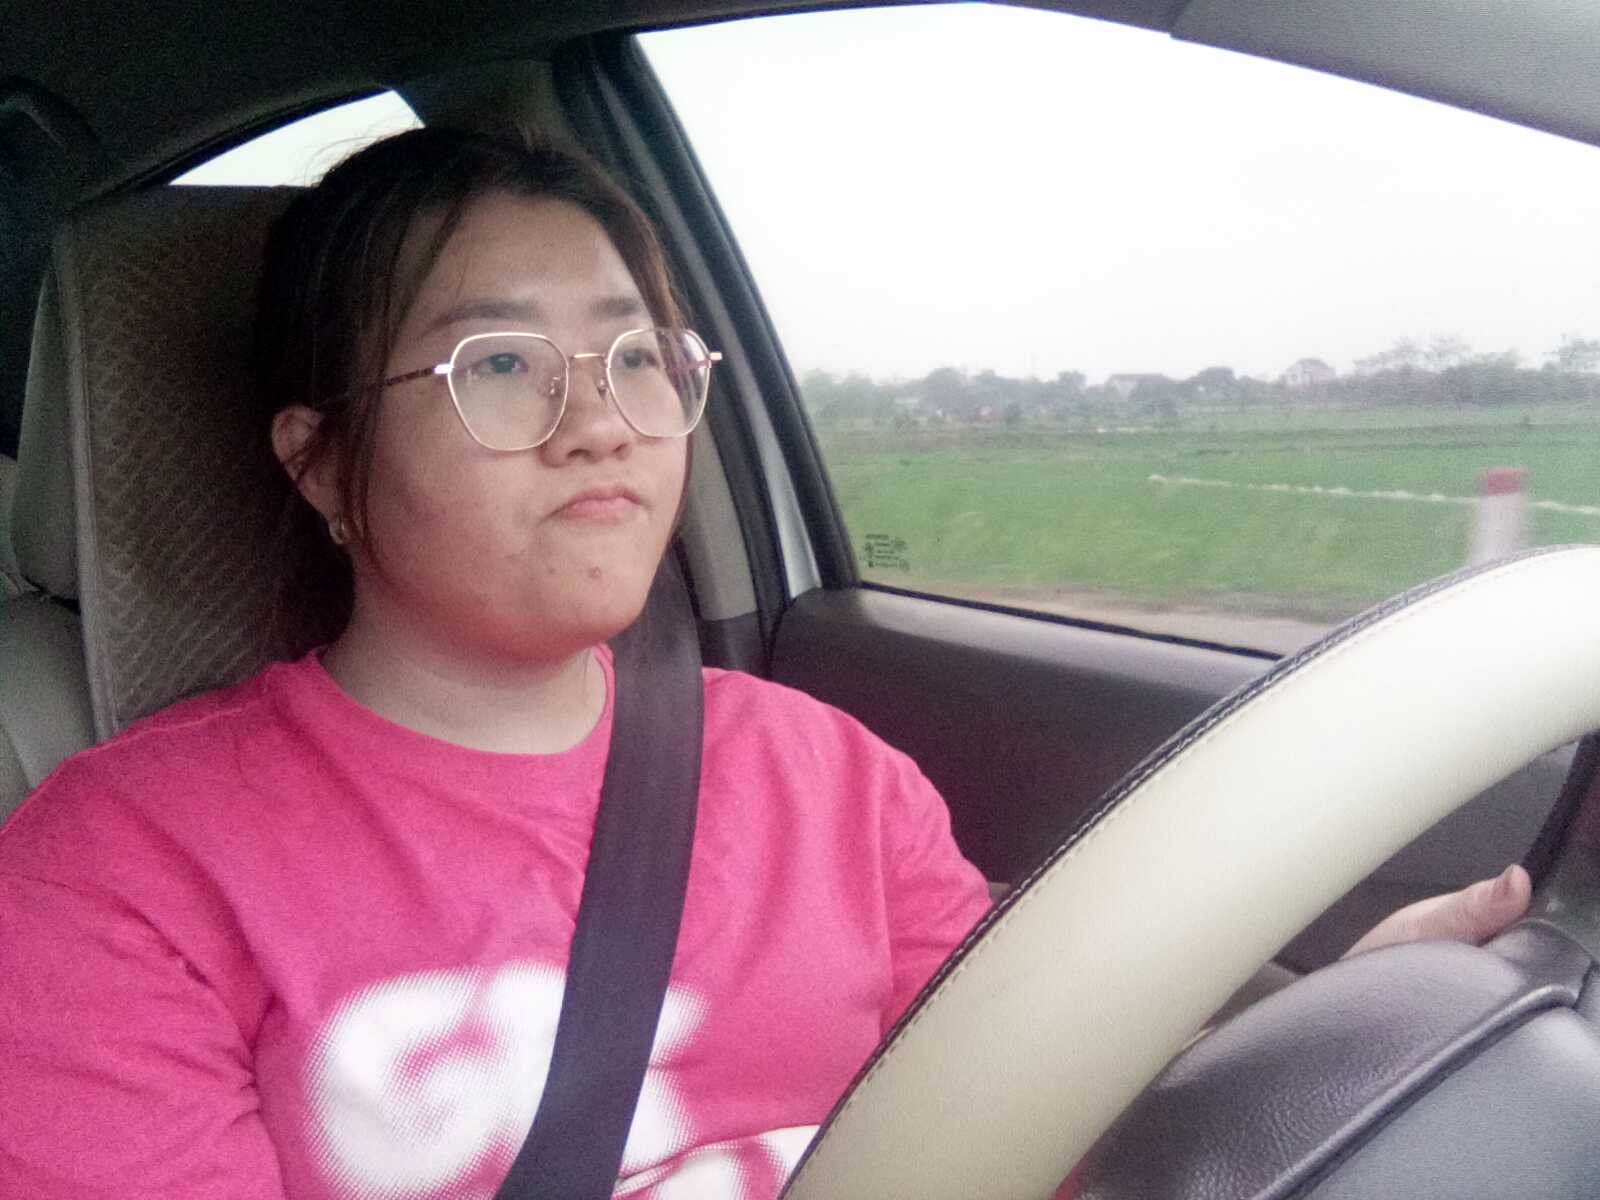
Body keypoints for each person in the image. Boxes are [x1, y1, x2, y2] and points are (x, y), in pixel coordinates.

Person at [0, 128, 1531, 1199]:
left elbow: (1037, 1110)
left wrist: (1303, 1055)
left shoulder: (826, 775)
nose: (601, 422)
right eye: (502, 364)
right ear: (323, 462)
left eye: (637, 357)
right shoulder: (119, 870)